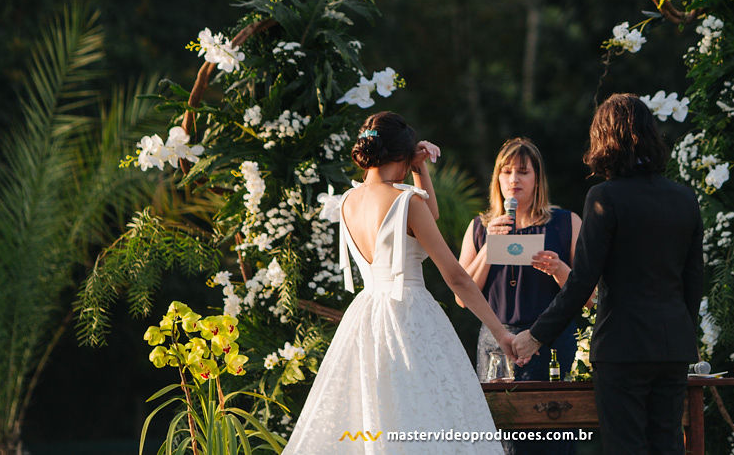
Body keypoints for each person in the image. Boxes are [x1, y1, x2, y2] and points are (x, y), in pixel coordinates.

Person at [282, 111, 513, 454]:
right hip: (409, 316)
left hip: (365, 316)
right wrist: (501, 332)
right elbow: (457, 277)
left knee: (379, 418)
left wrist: (419, 170)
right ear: (403, 157)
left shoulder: (347, 202)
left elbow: (427, 216)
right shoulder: (406, 202)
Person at [512, 94, 704, 455]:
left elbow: (582, 279)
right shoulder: (684, 198)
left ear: (604, 140)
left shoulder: (605, 196)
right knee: (668, 446)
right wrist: (681, 330)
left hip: (623, 347)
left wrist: (536, 336)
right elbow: (694, 280)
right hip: (673, 347)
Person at [458, 136, 582, 382]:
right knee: (499, 420)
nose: (514, 179)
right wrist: (489, 246)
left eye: (523, 172)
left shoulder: (566, 223)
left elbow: (588, 295)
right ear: (497, 179)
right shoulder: (480, 227)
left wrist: (558, 269)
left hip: (552, 343)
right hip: (497, 346)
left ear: (537, 179)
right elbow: (462, 297)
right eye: (507, 172)